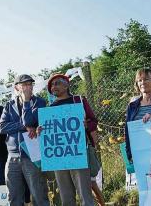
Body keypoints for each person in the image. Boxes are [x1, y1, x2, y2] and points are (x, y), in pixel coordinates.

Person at [37, 74, 98, 206]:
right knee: (66, 196)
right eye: (51, 86)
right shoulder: (50, 109)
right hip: (59, 156)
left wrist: (87, 125)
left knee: (85, 194)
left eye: (57, 83)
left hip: (78, 152)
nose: (54, 87)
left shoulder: (79, 100)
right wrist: (41, 131)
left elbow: (93, 121)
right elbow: (48, 133)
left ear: (66, 85)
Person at [0, 74, 49, 206]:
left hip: (32, 155)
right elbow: (2, 127)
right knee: (14, 195)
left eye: (30, 84)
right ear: (17, 87)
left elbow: (30, 120)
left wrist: (26, 101)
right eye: (25, 85)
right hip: (12, 156)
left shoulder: (40, 102)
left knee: (39, 194)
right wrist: (23, 127)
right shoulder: (9, 105)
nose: (29, 87)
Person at [125, 68, 151, 161]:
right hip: (140, 154)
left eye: (146, 79)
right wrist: (129, 154)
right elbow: (128, 132)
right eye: (140, 80)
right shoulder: (132, 106)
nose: (143, 82)